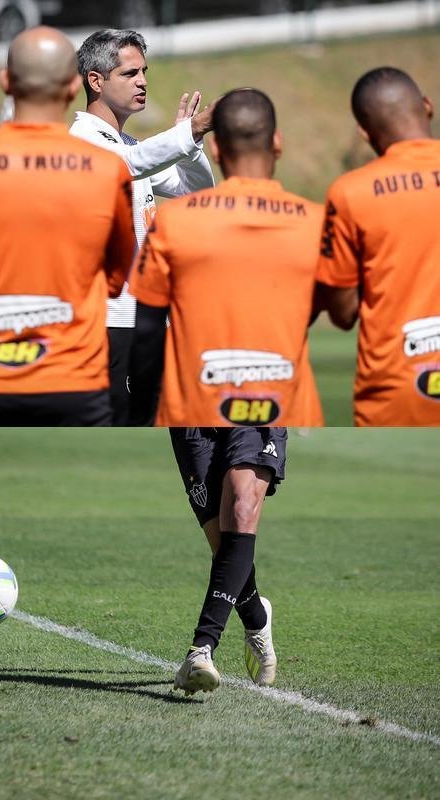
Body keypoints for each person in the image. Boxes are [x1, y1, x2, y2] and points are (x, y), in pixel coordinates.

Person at [0, 27, 135, 426]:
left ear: (5, 82)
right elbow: (117, 277)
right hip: (75, 379)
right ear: (71, 87)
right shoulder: (107, 169)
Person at [128, 88, 324, 427]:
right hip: (285, 406)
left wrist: (144, 403)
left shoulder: (173, 221)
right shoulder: (316, 221)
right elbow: (342, 309)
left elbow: (147, 326)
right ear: (277, 142)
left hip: (191, 408)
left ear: (216, 150)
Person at [69, 29, 215, 425]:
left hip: (146, 320)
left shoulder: (128, 144)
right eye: (130, 73)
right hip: (108, 321)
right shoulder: (82, 140)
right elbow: (126, 165)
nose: (143, 81)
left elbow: (195, 192)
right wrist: (190, 132)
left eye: (144, 72)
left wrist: (191, 145)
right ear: (95, 81)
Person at [316, 66, 440, 426]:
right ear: (427, 106)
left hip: (398, 393)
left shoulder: (350, 193)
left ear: (364, 131)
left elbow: (343, 313)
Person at [170, 426, 287, 695]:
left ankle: (201, 648)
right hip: (193, 411)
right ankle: (256, 616)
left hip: (253, 402)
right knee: (225, 547)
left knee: (241, 508)